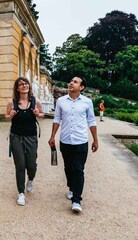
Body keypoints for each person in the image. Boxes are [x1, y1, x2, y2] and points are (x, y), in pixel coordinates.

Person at [48, 76, 98, 213]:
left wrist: (95, 139)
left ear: (81, 87)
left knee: (78, 169)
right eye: (70, 81)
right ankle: (71, 187)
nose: (71, 83)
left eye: (75, 82)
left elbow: (91, 121)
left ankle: (76, 200)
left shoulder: (87, 102)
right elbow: (57, 119)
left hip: (81, 141)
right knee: (68, 168)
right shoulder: (61, 101)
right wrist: (52, 136)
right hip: (65, 140)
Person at [5, 77, 44, 206]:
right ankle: (21, 193)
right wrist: (10, 115)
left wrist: (38, 113)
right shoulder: (12, 102)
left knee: (31, 164)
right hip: (16, 136)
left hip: (31, 136)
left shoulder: (35, 101)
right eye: (21, 84)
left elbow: (43, 113)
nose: (24, 85)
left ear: (29, 86)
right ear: (17, 88)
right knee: (20, 164)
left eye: (26, 83)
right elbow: (6, 115)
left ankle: (31, 179)